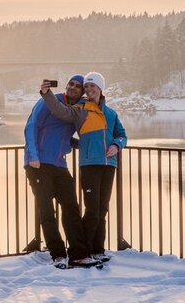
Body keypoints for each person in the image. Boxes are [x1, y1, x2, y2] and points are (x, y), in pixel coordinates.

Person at [40, 72, 127, 263]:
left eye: (92, 86)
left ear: (100, 88)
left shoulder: (111, 113)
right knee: (92, 210)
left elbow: (122, 134)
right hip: (89, 165)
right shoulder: (80, 109)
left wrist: (116, 145)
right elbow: (59, 111)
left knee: (102, 209)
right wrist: (46, 94)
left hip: (109, 164)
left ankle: (98, 249)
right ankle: (83, 251)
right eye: (86, 87)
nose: (88, 89)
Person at [24, 74, 98, 268]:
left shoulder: (76, 109)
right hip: (38, 163)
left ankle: (78, 254)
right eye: (71, 84)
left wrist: (83, 145)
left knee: (71, 207)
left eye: (78, 86)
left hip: (59, 165)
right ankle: (57, 254)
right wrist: (33, 156)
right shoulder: (51, 100)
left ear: (82, 91)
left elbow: (62, 136)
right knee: (47, 209)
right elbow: (31, 126)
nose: (73, 87)